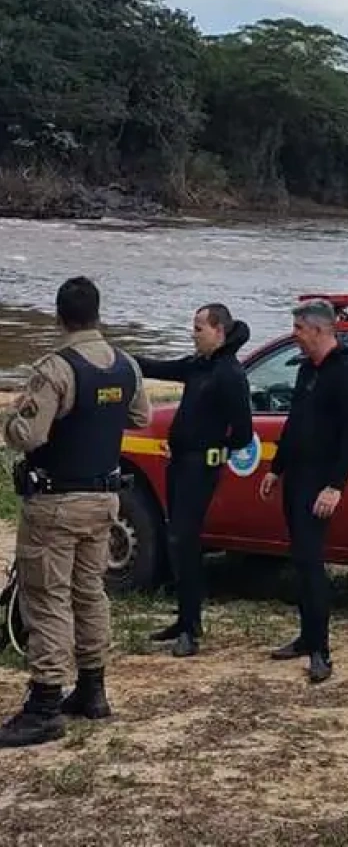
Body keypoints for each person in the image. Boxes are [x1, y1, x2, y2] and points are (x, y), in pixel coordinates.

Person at [0, 276, 151, 747]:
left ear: (60, 315)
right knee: (90, 594)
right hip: (104, 501)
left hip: (56, 503)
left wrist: (12, 417)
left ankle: (45, 703)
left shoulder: (55, 369)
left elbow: (28, 436)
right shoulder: (126, 365)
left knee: (45, 598)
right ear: (98, 313)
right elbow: (140, 417)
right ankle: (92, 688)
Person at [260, 298, 348, 683]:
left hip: (322, 482)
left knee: (311, 562)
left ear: (319, 330)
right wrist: (277, 468)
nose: (295, 337)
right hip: (297, 478)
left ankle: (321, 650)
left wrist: (335, 486)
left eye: (299, 330)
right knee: (300, 560)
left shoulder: (347, 373)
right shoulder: (308, 370)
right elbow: (295, 422)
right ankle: (306, 636)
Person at [136, 304, 253, 658]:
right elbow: (159, 367)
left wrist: (212, 451)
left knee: (184, 540)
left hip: (201, 468)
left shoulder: (229, 374)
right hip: (181, 465)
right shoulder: (198, 366)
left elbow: (244, 431)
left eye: (199, 328)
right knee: (177, 540)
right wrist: (122, 359)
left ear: (219, 330)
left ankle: (190, 628)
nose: (193, 333)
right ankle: (185, 619)